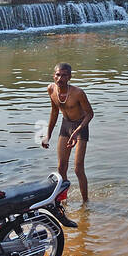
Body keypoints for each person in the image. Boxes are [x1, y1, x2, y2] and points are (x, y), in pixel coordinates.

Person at [42, 63, 93, 203]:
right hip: (65, 125)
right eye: (58, 75)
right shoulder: (51, 89)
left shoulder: (78, 93)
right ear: (54, 76)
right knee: (61, 167)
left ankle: (85, 202)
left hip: (80, 127)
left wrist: (77, 131)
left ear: (69, 77)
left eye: (64, 75)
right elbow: (54, 112)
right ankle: (64, 200)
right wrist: (48, 135)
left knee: (78, 168)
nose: (60, 78)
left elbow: (90, 114)